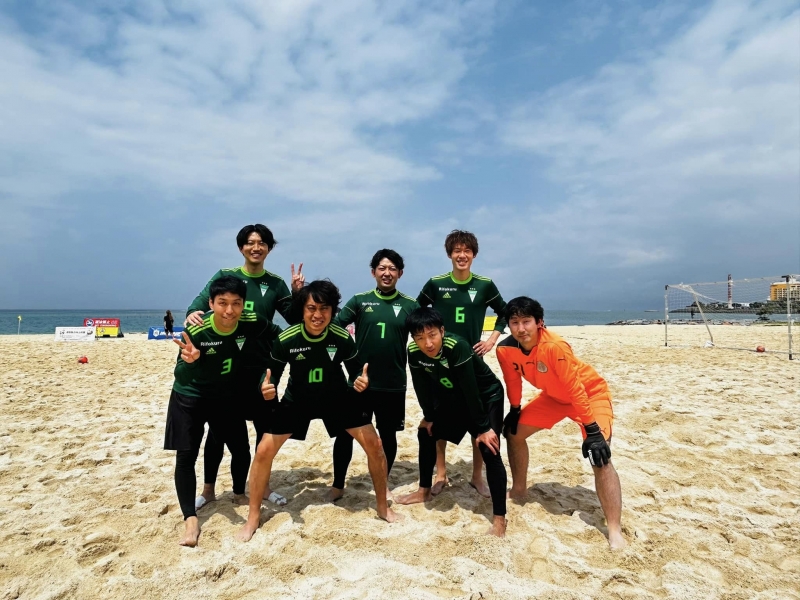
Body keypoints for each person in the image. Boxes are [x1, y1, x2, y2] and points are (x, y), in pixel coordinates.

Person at [236, 280, 398, 542]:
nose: (318, 315)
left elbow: (357, 370)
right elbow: (271, 375)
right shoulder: (287, 338)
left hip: (336, 398)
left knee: (375, 444)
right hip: (297, 400)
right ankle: (253, 517)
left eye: (325, 308)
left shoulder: (341, 336)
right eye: (311, 308)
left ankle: (382, 507)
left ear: (333, 311)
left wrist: (361, 380)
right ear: (302, 310)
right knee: (263, 450)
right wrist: (266, 387)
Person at [184, 224, 303, 510]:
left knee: (265, 429)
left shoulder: (275, 283)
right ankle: (208, 490)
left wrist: (298, 294)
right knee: (217, 432)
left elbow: (293, 319)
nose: (256, 247)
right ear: (241, 247)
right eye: (250, 242)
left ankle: (263, 486)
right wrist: (192, 315)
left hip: (261, 367)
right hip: (226, 368)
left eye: (262, 243)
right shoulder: (225, 276)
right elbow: (198, 306)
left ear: (269, 249)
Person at [496, 297, 626, 550]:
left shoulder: (555, 346)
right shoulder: (504, 350)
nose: (521, 328)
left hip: (589, 395)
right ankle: (519, 489)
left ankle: (614, 529)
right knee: (513, 433)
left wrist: (592, 430)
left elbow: (575, 388)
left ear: (539, 323)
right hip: (554, 398)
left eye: (526, 321)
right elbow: (513, 381)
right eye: (515, 322)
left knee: (599, 454)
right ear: (508, 325)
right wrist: (515, 409)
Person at [165, 275, 281, 547]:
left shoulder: (250, 320)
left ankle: (239, 494)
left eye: (236, 303)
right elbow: (179, 374)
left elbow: (278, 336)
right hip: (190, 396)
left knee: (240, 449)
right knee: (187, 455)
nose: (229, 310)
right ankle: (190, 519)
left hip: (225, 395)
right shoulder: (198, 329)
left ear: (244, 304)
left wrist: (271, 372)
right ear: (211, 303)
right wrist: (191, 362)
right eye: (222, 303)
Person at [396, 307, 507, 537]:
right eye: (420, 338)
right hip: (455, 398)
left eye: (432, 335)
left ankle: (499, 519)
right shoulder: (414, 352)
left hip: (486, 396)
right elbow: (421, 387)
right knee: (426, 432)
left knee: (490, 447)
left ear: (442, 331)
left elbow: (471, 389)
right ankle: (424, 491)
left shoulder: (457, 346)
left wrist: (483, 428)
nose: (427, 343)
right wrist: (429, 416)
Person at [416, 230, 508, 497]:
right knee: (438, 418)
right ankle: (441, 474)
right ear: (449, 254)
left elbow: (504, 312)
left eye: (467, 250)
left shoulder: (485, 285)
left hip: (471, 362)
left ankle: (477, 476)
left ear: (474, 254)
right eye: (457, 250)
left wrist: (491, 340)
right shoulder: (436, 284)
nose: (462, 255)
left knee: (477, 418)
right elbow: (418, 313)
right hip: (439, 361)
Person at [330, 249, 419, 500]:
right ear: (373, 272)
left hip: (393, 383)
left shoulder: (410, 305)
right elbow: (334, 327)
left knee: (387, 436)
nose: (387, 273)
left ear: (400, 273)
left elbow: (425, 336)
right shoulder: (360, 300)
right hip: (360, 382)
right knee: (345, 434)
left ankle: (383, 483)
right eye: (382, 268)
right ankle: (337, 485)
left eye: (392, 269)